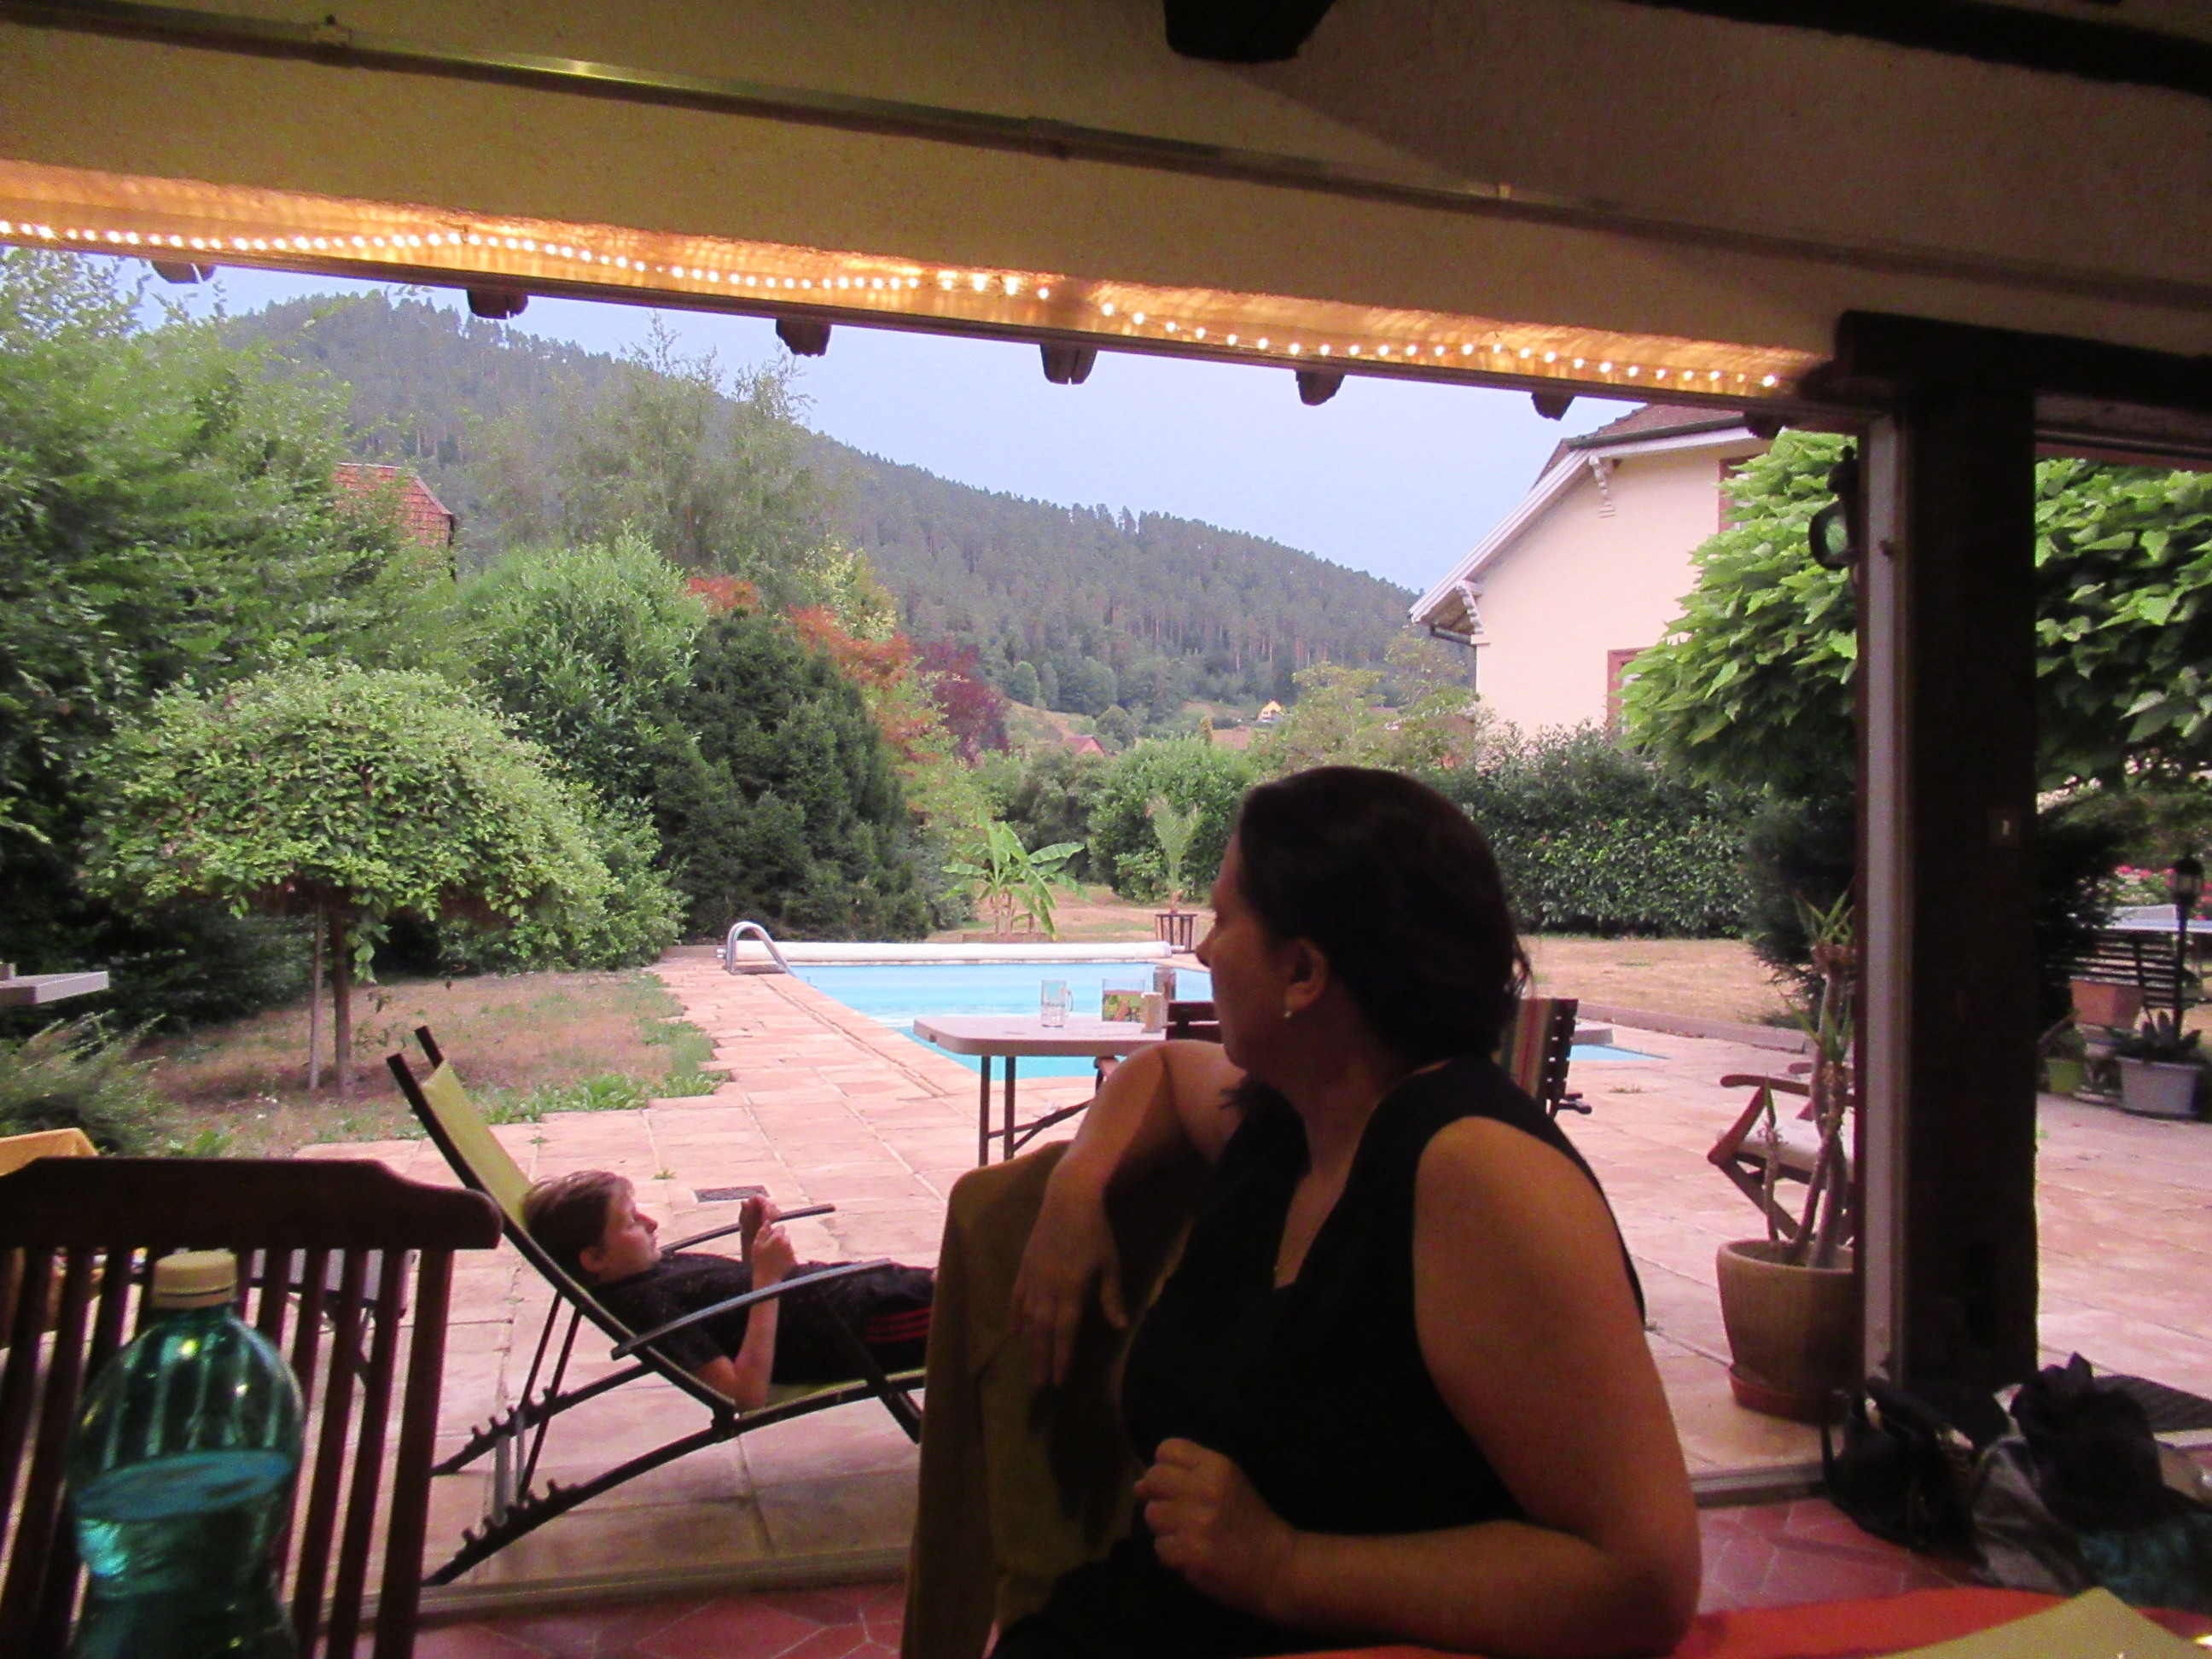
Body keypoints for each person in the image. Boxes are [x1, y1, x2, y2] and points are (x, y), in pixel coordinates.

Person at [999, 766, 1700, 1659]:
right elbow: (1162, 1073)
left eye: (1224, 920)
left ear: (1302, 972)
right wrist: (1074, 1190)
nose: (1205, 952)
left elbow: (1642, 1584)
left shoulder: (1476, 1175)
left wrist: (1283, 1565)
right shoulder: (1304, 1117)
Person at [522, 1172, 934, 1411]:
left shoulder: (646, 1271)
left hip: (863, 1296)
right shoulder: (644, 1304)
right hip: (865, 1328)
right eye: (631, 1222)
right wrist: (767, 1279)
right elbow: (743, 1393)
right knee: (970, 1305)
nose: (652, 1223)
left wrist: (752, 1241)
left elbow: (734, 1312)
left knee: (966, 1275)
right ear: (595, 1258)